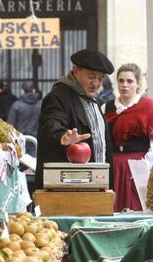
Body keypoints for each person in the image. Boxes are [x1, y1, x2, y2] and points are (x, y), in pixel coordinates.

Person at [36, 49, 115, 189]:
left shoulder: (94, 101)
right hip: (69, 187)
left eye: (100, 78)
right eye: (91, 77)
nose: (95, 83)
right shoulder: (58, 97)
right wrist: (62, 137)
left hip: (97, 183)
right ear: (76, 71)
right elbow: (50, 124)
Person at [102, 63, 153, 212]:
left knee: (137, 206)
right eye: (121, 81)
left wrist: (144, 167)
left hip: (139, 165)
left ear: (137, 84)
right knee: (112, 207)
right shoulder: (106, 108)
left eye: (129, 81)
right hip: (114, 166)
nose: (125, 85)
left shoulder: (149, 106)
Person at [7, 80, 41, 157]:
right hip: (36, 138)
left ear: (22, 91)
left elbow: (10, 125)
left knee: (21, 163)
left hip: (20, 139)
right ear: (34, 90)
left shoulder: (16, 105)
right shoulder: (41, 105)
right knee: (34, 164)